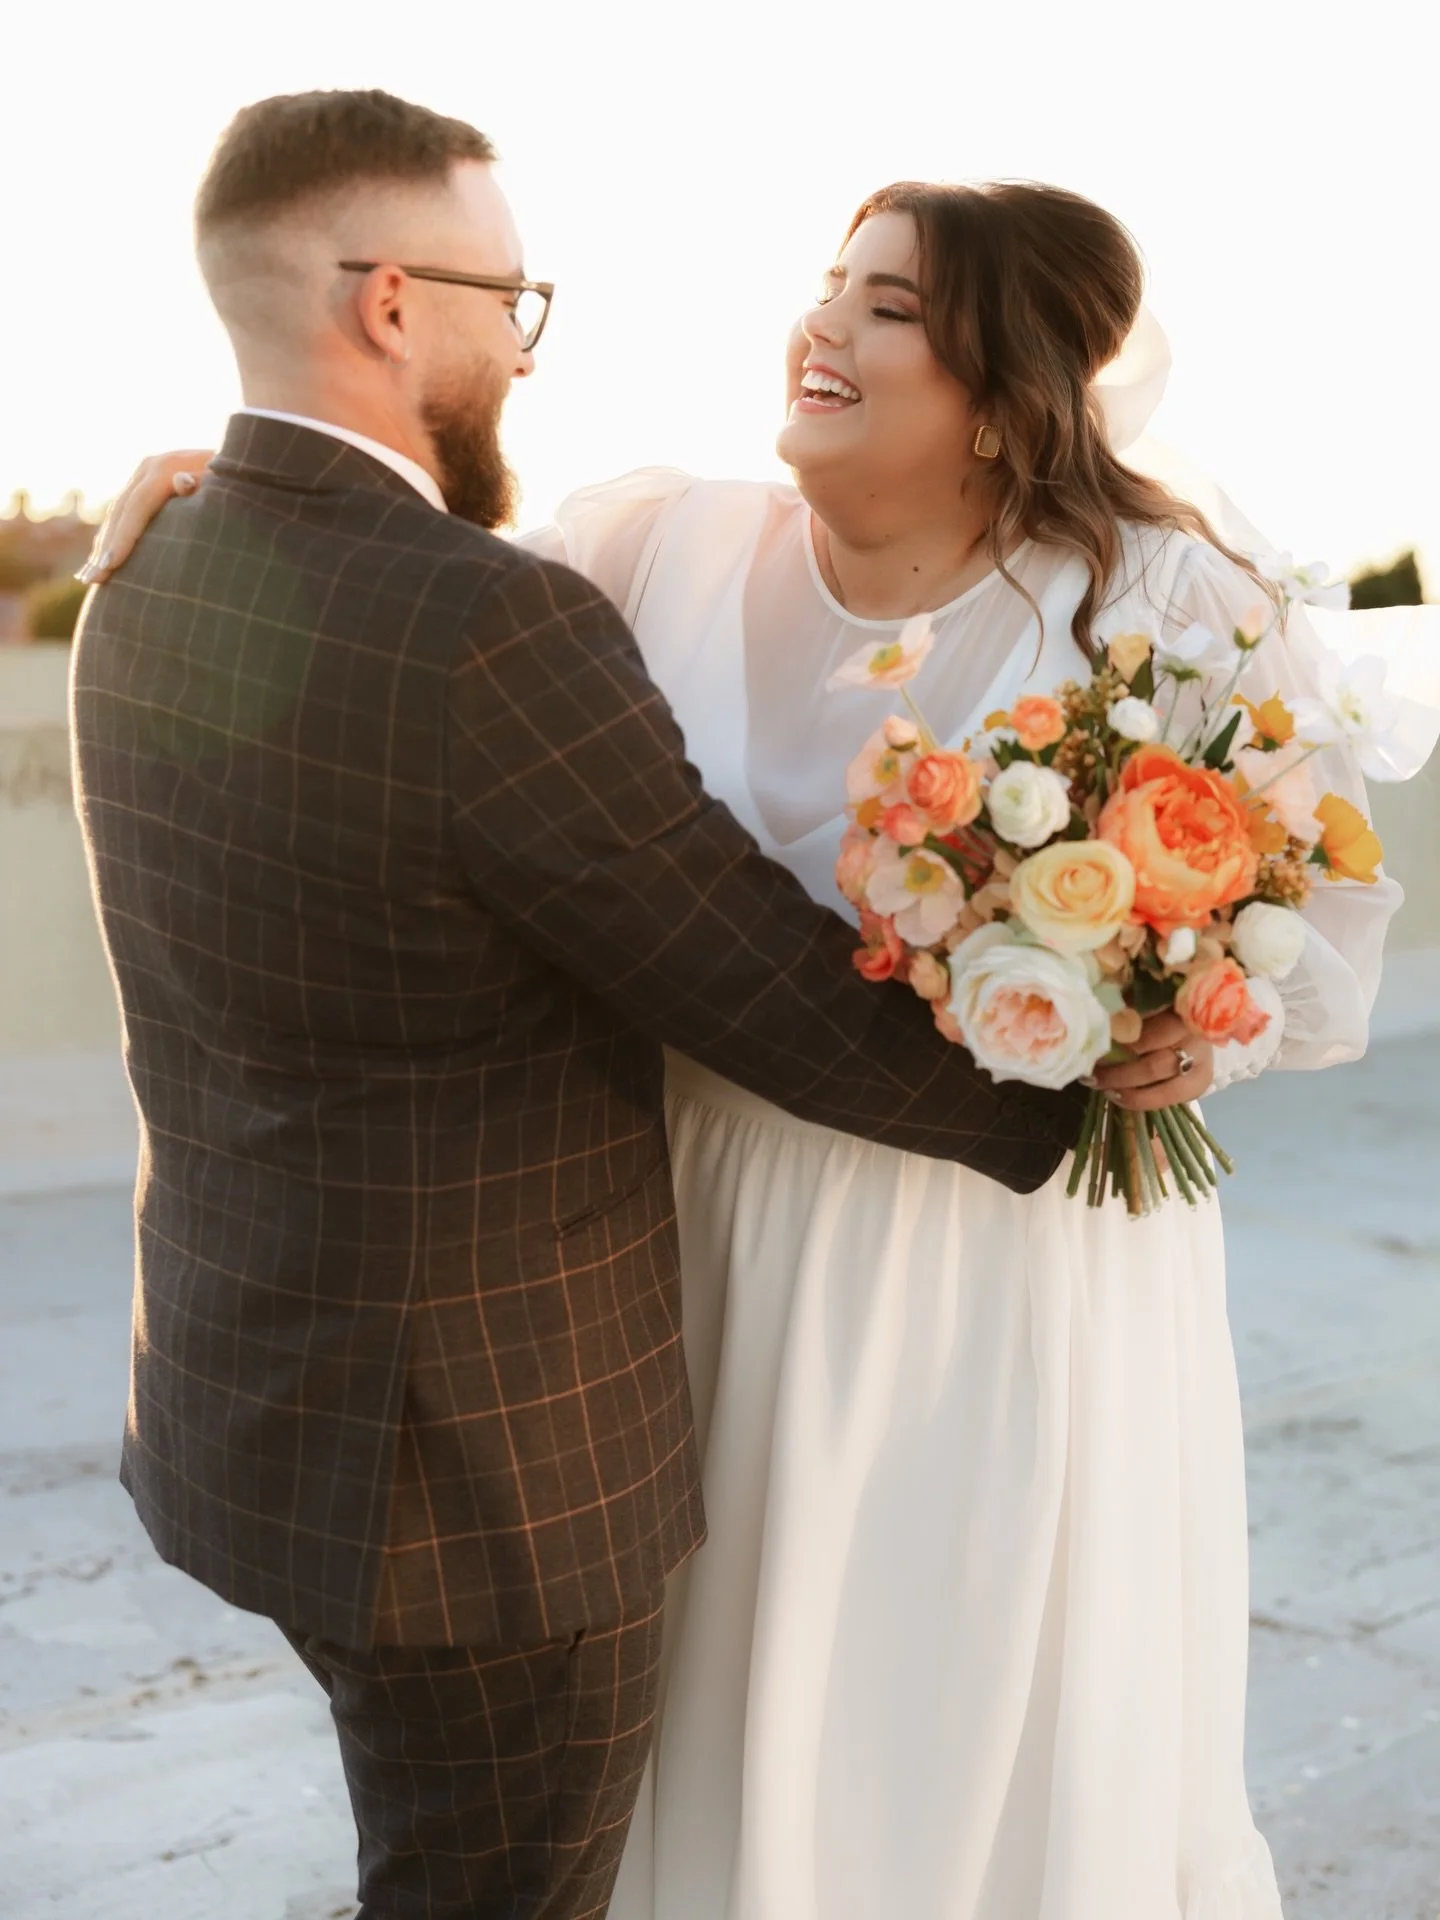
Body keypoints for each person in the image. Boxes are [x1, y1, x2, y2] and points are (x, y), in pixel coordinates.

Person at [88, 149, 1416, 1920]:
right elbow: (400, 606)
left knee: (942, 1708)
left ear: (1012, 400)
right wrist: (196, 492)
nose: (826, 326)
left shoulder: (1157, 604)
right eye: (830, 282)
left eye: (894, 310)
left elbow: (1303, 924)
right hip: (690, 1232)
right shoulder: (655, 541)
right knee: (694, 1720)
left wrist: (1196, 1037)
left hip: (992, 1267)